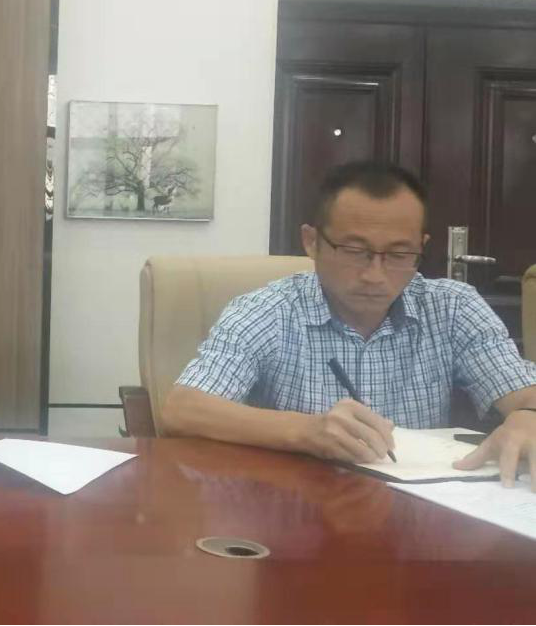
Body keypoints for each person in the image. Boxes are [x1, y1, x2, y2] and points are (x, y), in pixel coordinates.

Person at [162, 161, 536, 488]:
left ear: (421, 246)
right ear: (311, 242)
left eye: (399, 254)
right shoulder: (268, 311)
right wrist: (306, 431)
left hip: (425, 512)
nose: (375, 275)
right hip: (298, 509)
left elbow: (523, 393)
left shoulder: (453, 307)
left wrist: (526, 417)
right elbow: (183, 408)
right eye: (355, 251)